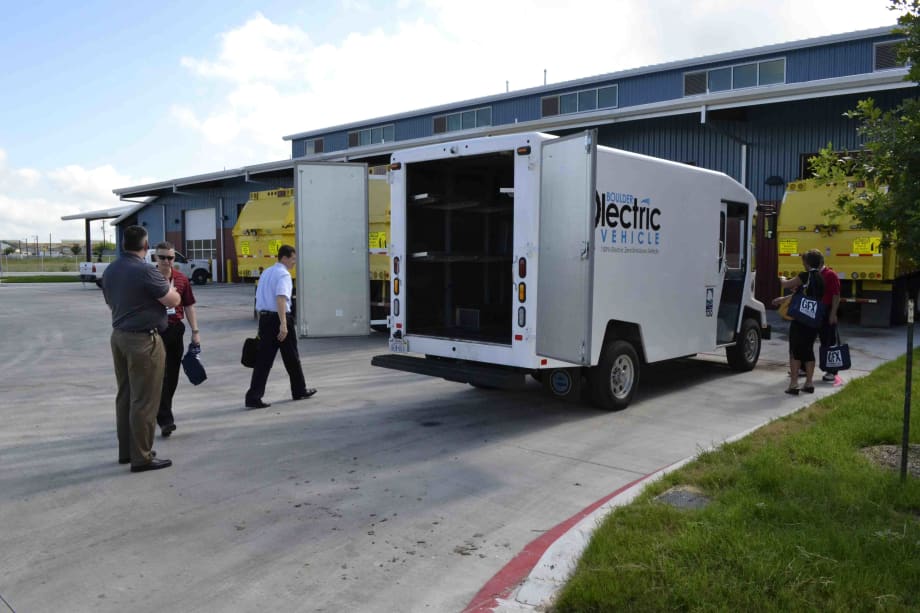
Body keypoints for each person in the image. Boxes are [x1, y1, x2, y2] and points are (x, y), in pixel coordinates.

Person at [102, 225, 180, 472]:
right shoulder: (146, 271)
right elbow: (172, 300)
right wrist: (172, 290)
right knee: (145, 399)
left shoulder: (112, 269)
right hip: (143, 340)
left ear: (124, 244)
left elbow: (109, 300)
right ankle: (142, 456)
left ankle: (128, 450)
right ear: (146, 247)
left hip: (119, 336)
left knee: (125, 395)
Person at [244, 244, 316, 408]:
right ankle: (299, 390)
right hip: (279, 319)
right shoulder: (283, 274)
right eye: (293, 259)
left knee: (264, 360)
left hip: (265, 319)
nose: (294, 263)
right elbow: (281, 299)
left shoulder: (267, 273)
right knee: (292, 357)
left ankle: (253, 396)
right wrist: (283, 324)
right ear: (284, 257)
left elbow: (260, 298)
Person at [153, 241, 200, 438]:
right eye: (162, 257)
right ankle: (165, 419)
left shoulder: (181, 279)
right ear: (155, 258)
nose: (166, 261)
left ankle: (164, 414)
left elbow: (189, 305)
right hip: (155, 331)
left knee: (172, 376)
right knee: (158, 376)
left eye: (170, 258)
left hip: (175, 329)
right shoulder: (150, 279)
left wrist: (195, 331)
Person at [772, 249, 825, 395]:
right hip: (813, 319)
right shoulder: (821, 278)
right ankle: (809, 383)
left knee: (795, 351)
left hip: (800, 319)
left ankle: (794, 384)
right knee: (808, 350)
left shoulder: (804, 275)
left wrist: (782, 278)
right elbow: (803, 294)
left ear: (806, 262)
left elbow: (786, 285)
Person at [818, 255, 842, 382]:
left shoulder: (830, 275)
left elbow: (836, 295)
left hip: (826, 309)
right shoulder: (811, 275)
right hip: (815, 310)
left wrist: (833, 313)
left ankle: (831, 371)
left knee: (828, 341)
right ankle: (804, 368)